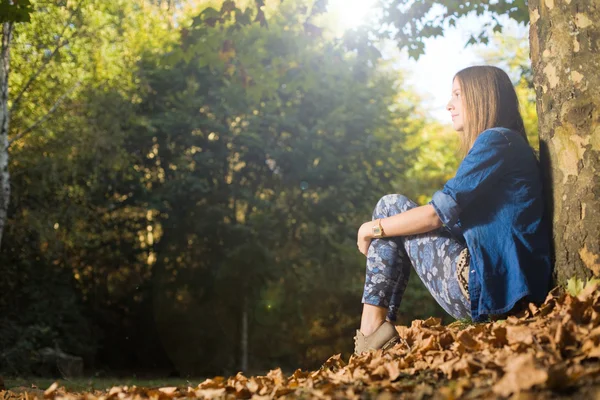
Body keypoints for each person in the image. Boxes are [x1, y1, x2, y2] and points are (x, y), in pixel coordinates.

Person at [353, 66, 552, 355]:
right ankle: (373, 334)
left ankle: (370, 333)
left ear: (482, 97)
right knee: (395, 216)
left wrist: (371, 228)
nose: (449, 104)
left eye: (457, 94)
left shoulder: (496, 141)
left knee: (389, 206)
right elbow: (458, 227)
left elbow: (436, 214)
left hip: (487, 287)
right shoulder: (507, 144)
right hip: (500, 286)